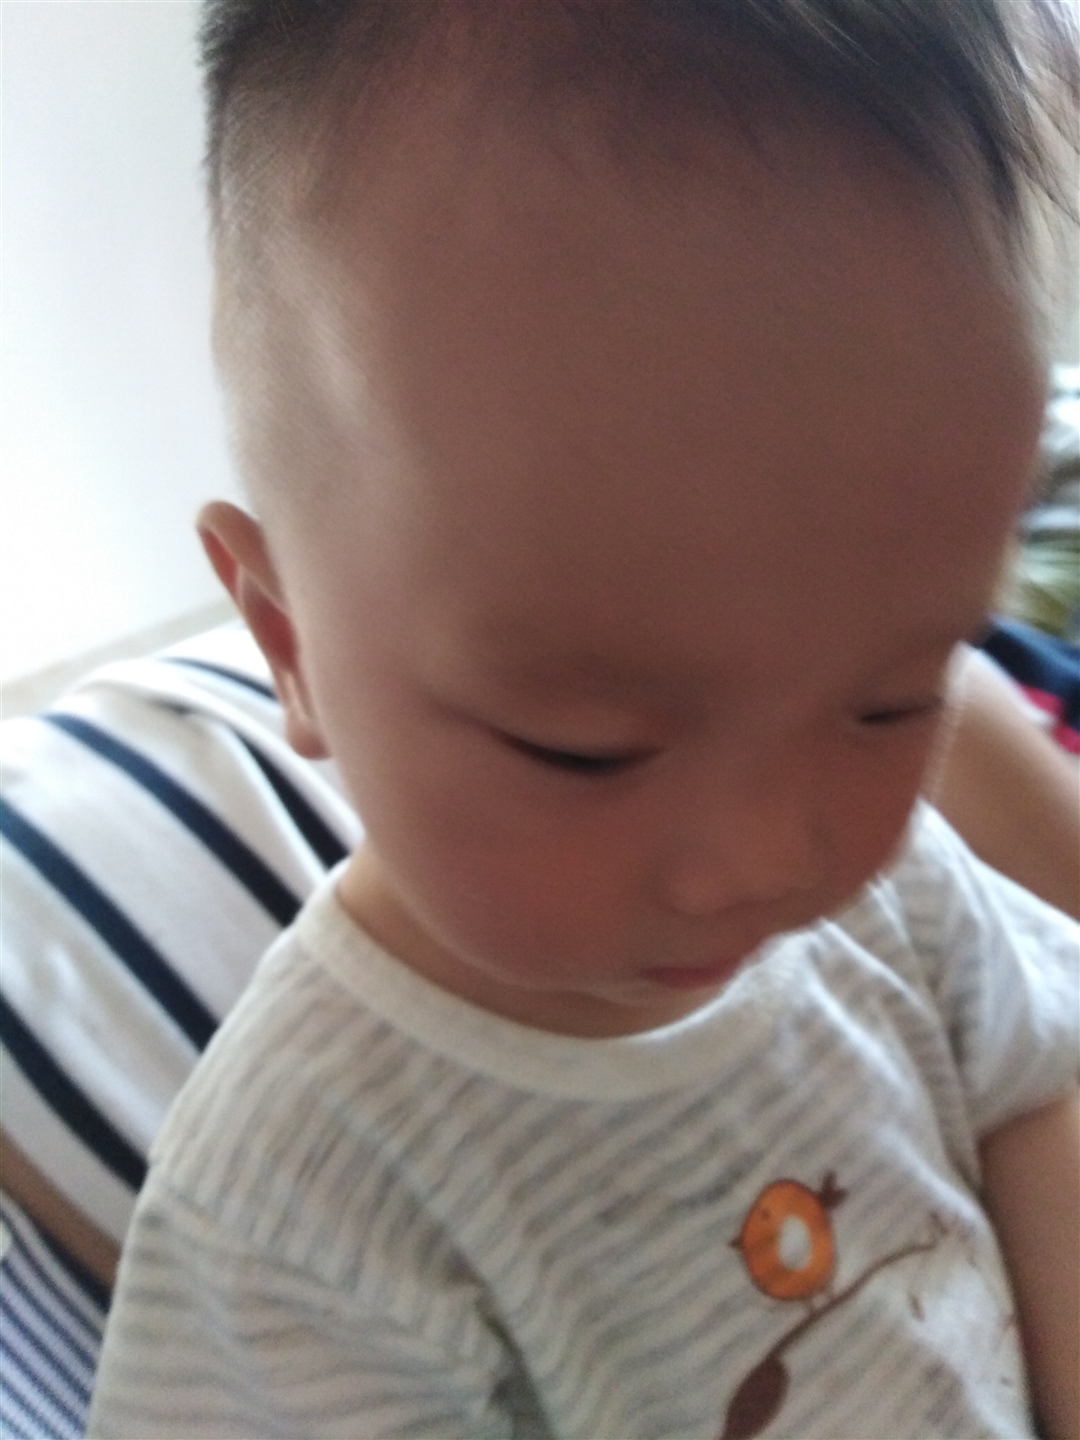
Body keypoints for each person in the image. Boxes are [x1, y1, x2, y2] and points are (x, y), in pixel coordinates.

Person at [88, 3, 1079, 1436]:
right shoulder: (303, 1215)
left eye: (892, 695)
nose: (771, 855)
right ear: (288, 641)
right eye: (587, 749)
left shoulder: (908, 893)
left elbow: (1041, 1080)